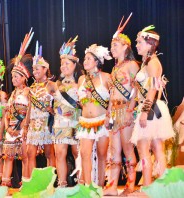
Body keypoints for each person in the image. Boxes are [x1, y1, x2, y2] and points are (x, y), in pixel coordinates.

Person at [130, 25, 174, 186]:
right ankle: (160, 187)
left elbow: (154, 88)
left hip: (151, 109)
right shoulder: (147, 62)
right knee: (156, 149)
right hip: (152, 108)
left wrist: (145, 111)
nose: (137, 45)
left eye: (140, 42)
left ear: (150, 44)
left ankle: (149, 187)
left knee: (144, 150)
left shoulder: (153, 63)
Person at [103, 14, 139, 196]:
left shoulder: (132, 65)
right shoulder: (115, 68)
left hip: (126, 110)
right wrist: (108, 113)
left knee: (127, 148)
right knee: (113, 149)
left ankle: (131, 184)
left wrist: (130, 110)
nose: (112, 48)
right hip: (114, 111)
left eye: (115, 45)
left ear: (126, 47)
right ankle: (112, 185)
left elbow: (136, 90)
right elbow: (111, 94)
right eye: (111, 45)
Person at [48, 36, 82, 187]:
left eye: (67, 63)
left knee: (78, 153)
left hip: (76, 122)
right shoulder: (56, 84)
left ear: (75, 65)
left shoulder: (80, 83)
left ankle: (82, 182)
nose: (63, 66)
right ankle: (62, 183)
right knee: (60, 154)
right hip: (60, 123)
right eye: (62, 63)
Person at [1, 29, 34, 187]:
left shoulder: (28, 92)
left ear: (24, 78)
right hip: (11, 129)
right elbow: (7, 113)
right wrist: (8, 128)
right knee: (8, 156)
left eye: (16, 76)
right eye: (12, 76)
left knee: (25, 156)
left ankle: (26, 183)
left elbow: (29, 111)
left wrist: (22, 126)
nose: (13, 79)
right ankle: (5, 183)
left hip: (22, 129)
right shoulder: (12, 94)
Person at [77, 44, 112, 186]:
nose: (85, 61)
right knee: (85, 153)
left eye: (89, 59)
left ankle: (100, 186)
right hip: (85, 122)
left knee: (102, 155)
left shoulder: (106, 77)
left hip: (102, 121)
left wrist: (109, 116)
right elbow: (80, 102)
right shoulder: (81, 80)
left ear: (97, 61)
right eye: (85, 59)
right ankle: (88, 186)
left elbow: (114, 98)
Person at [26, 41, 56, 177]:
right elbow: (29, 108)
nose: (35, 71)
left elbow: (60, 102)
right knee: (30, 153)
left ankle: (50, 179)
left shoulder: (51, 85)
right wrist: (26, 125)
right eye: (33, 69)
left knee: (49, 153)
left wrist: (53, 110)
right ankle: (34, 180)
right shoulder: (31, 88)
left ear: (45, 69)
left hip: (46, 123)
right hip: (33, 123)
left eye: (38, 68)